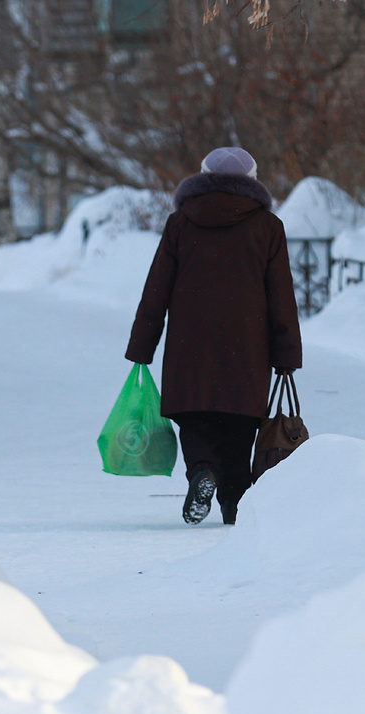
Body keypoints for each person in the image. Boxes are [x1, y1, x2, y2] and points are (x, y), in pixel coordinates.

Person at [126, 146, 302, 525]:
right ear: (252, 181)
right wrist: (286, 353)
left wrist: (142, 344)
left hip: (191, 345)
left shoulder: (180, 223)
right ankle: (234, 502)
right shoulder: (268, 227)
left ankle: (202, 471)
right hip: (248, 344)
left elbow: (156, 288)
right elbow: (281, 295)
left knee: (195, 417)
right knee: (240, 421)